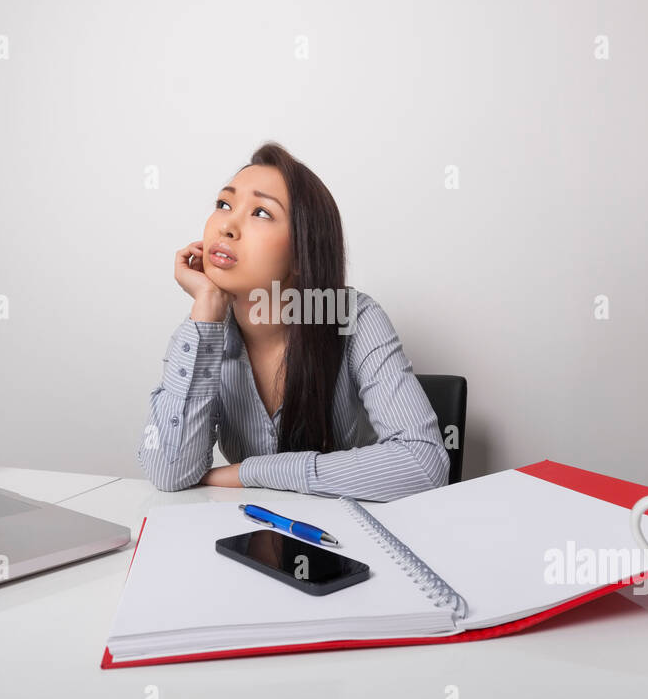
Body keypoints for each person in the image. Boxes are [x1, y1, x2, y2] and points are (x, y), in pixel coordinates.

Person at [136, 141, 449, 502]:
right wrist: (206, 307)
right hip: (251, 535)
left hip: (347, 537)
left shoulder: (354, 317)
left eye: (261, 213)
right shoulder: (200, 337)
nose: (227, 227)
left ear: (302, 252)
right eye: (224, 204)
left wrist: (252, 472)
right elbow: (168, 472)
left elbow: (424, 464)